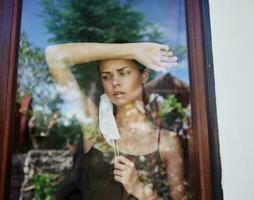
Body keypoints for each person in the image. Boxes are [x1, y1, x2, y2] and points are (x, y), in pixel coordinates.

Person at [45, 42, 185, 200]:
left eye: (123, 73)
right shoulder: (94, 127)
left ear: (144, 76)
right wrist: (134, 50)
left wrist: (139, 189)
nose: (115, 82)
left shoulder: (166, 141)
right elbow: (54, 55)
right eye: (106, 76)